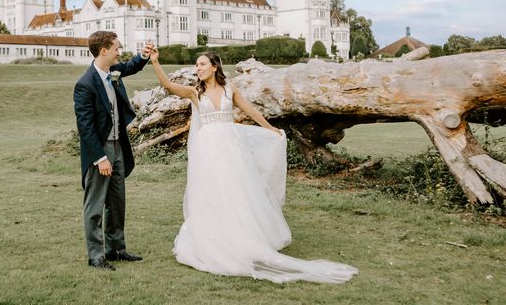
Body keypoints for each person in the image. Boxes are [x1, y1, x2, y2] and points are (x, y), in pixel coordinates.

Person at [149, 49, 358, 284]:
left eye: (202, 64)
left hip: (231, 148)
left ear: (214, 67)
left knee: (237, 192)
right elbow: (168, 85)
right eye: (197, 65)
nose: (198, 68)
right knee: (212, 193)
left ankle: (242, 237)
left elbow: (250, 110)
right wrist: (155, 62)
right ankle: (214, 239)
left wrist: (270, 129)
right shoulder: (194, 93)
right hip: (208, 151)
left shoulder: (231, 89)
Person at [74, 31, 153, 271]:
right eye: (117, 48)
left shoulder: (113, 73)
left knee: (117, 202)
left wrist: (143, 56)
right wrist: (100, 158)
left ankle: (116, 249)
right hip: (101, 150)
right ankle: (96, 255)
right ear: (104, 50)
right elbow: (85, 128)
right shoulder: (85, 84)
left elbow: (130, 66)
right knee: (95, 205)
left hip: (120, 146)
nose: (120, 51)